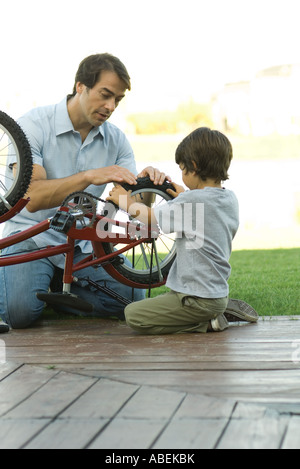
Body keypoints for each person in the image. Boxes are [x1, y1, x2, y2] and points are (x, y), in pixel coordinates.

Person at [0, 53, 168, 329]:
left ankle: (58, 288)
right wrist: (89, 176)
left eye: (117, 99)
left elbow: (134, 207)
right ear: (80, 86)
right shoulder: (34, 125)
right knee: (20, 314)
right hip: (30, 237)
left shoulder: (117, 141)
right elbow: (33, 199)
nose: (110, 106)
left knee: (132, 299)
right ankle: (45, 284)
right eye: (105, 94)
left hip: (81, 243)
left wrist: (149, 185)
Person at [107, 127, 258, 334]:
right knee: (160, 305)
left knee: (133, 315)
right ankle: (218, 308)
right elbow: (204, 214)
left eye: (183, 169)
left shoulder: (191, 201)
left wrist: (124, 201)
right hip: (212, 292)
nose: (182, 175)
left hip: (196, 299)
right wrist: (185, 196)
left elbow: (151, 220)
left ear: (193, 167)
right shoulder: (229, 198)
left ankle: (208, 321)